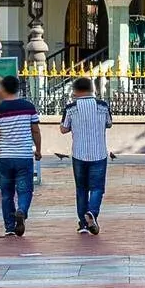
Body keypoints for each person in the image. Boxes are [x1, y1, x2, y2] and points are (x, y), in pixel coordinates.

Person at [0, 76, 41, 236]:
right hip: (23, 156)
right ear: (18, 88)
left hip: (5, 157)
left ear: (3, 89)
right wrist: (38, 149)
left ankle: (10, 227)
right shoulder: (28, 107)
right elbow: (36, 130)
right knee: (25, 190)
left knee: (6, 193)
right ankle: (22, 210)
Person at [60, 77, 112, 235]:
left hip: (79, 154)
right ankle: (92, 212)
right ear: (92, 89)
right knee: (97, 188)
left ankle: (83, 224)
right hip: (99, 153)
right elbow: (109, 123)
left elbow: (63, 129)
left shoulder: (71, 108)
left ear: (75, 91)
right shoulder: (102, 106)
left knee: (81, 189)